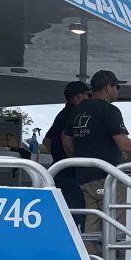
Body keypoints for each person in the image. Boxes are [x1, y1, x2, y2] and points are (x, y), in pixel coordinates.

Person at [62, 70, 131, 260]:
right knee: (116, 221)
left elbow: (65, 139)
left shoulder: (78, 110)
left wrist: (80, 159)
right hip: (107, 177)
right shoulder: (109, 111)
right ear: (108, 87)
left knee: (92, 223)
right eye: (117, 87)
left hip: (84, 176)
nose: (118, 91)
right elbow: (124, 144)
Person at [44, 80, 90, 227]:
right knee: (76, 215)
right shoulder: (75, 113)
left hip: (58, 171)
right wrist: (73, 160)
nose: (90, 98)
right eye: (87, 95)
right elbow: (65, 138)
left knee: (61, 213)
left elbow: (47, 140)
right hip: (71, 174)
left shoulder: (62, 114)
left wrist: (58, 157)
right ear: (78, 97)